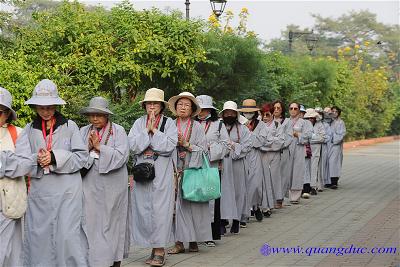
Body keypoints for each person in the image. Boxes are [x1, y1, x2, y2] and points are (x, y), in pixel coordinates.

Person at [16, 79, 89, 266]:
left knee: (68, 237)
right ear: (35, 107)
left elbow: (82, 158)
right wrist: (37, 159)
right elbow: (21, 160)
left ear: (56, 106)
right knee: (40, 238)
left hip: (68, 192)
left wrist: (55, 157)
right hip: (41, 193)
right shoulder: (28, 130)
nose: (46, 111)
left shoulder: (70, 126)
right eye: (41, 107)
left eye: (49, 107)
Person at [128, 88, 177, 267]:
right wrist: (145, 132)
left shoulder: (169, 123)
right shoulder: (138, 123)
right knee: (144, 210)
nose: (152, 106)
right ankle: (151, 247)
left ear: (162, 106)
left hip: (161, 173)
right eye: (149, 103)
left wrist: (154, 131)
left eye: (156, 103)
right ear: (145, 105)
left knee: (160, 210)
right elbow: (132, 146)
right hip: (142, 171)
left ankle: (160, 250)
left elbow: (170, 146)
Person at [80, 97, 129, 267]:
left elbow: (122, 156)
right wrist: (88, 148)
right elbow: (78, 156)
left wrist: (100, 147)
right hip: (90, 183)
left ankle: (114, 260)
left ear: (107, 116)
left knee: (112, 221)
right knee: (90, 220)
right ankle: (93, 260)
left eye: (99, 115)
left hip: (113, 184)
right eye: (92, 115)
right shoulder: (83, 131)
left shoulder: (119, 130)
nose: (95, 119)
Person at [167, 92, 211, 255]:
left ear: (192, 109)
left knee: (193, 207)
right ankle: (178, 242)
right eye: (180, 104)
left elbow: (204, 151)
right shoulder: (169, 125)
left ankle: (193, 240)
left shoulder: (197, 127)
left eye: (186, 105)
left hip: (192, 170)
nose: (182, 107)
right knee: (175, 208)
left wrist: (186, 144)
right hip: (172, 171)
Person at [195, 95, 231, 247]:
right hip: (194, 165)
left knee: (210, 199)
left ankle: (210, 234)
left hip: (211, 165)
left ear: (210, 109)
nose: (201, 112)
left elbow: (227, 145)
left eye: (204, 109)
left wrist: (211, 148)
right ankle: (194, 234)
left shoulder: (219, 125)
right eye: (199, 108)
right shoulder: (192, 123)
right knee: (195, 197)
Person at [0, 87, 29, 266]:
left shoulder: (18, 133)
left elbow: (25, 164)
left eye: (0, 111)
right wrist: (8, 160)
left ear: (8, 114)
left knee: (8, 253)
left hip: (8, 203)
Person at [220, 101, 251, 234]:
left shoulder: (243, 129)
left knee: (239, 191)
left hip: (238, 163)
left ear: (236, 114)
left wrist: (233, 145)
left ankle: (237, 220)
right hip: (222, 163)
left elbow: (247, 146)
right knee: (223, 192)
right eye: (227, 113)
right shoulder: (219, 126)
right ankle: (222, 220)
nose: (229, 115)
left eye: (232, 113)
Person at [239, 99, 271, 222]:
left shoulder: (261, 125)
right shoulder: (239, 124)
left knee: (256, 184)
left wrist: (250, 132)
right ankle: (244, 213)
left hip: (255, 155)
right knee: (243, 184)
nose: (248, 114)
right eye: (246, 111)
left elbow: (260, 142)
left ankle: (256, 205)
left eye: (251, 111)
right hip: (242, 155)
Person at [260, 103, 285, 209]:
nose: (265, 117)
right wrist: (270, 140)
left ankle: (275, 200)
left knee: (274, 177)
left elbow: (281, 141)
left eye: (268, 115)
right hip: (262, 154)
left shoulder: (277, 125)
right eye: (263, 115)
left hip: (274, 155)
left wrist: (268, 142)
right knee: (262, 179)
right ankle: (263, 202)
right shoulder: (259, 125)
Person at [288, 102, 312, 204]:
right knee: (287, 171)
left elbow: (308, 136)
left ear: (299, 110)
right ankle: (285, 194)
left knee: (297, 172)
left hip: (298, 148)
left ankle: (296, 195)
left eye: (295, 108)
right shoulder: (285, 122)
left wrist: (298, 134)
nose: (293, 110)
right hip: (287, 149)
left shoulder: (304, 123)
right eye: (291, 108)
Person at [273, 100, 293, 201]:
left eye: (278, 108)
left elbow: (289, 137)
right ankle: (271, 197)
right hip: (270, 152)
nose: (276, 110)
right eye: (274, 108)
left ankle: (280, 198)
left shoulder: (287, 121)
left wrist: (279, 145)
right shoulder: (268, 120)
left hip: (282, 151)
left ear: (282, 110)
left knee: (282, 175)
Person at [303, 108, 326, 195]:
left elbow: (322, 138)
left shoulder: (319, 125)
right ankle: (306, 186)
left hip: (316, 151)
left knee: (314, 168)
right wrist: (313, 137)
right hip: (306, 150)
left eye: (312, 118)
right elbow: (303, 137)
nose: (310, 119)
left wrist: (311, 137)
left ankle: (313, 187)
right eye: (308, 118)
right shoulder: (304, 125)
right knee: (306, 168)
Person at [329, 106, 346, 189]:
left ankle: (334, 181)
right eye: (333, 111)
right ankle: (328, 181)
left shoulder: (340, 122)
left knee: (334, 163)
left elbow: (342, 134)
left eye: (336, 112)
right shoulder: (329, 121)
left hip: (336, 145)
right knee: (328, 163)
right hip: (328, 145)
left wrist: (334, 140)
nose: (334, 113)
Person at [321, 107, 334, 188]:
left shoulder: (334, 121)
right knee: (323, 162)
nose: (327, 114)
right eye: (325, 112)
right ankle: (323, 180)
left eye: (329, 112)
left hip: (331, 143)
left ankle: (329, 180)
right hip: (323, 143)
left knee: (329, 162)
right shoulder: (321, 123)